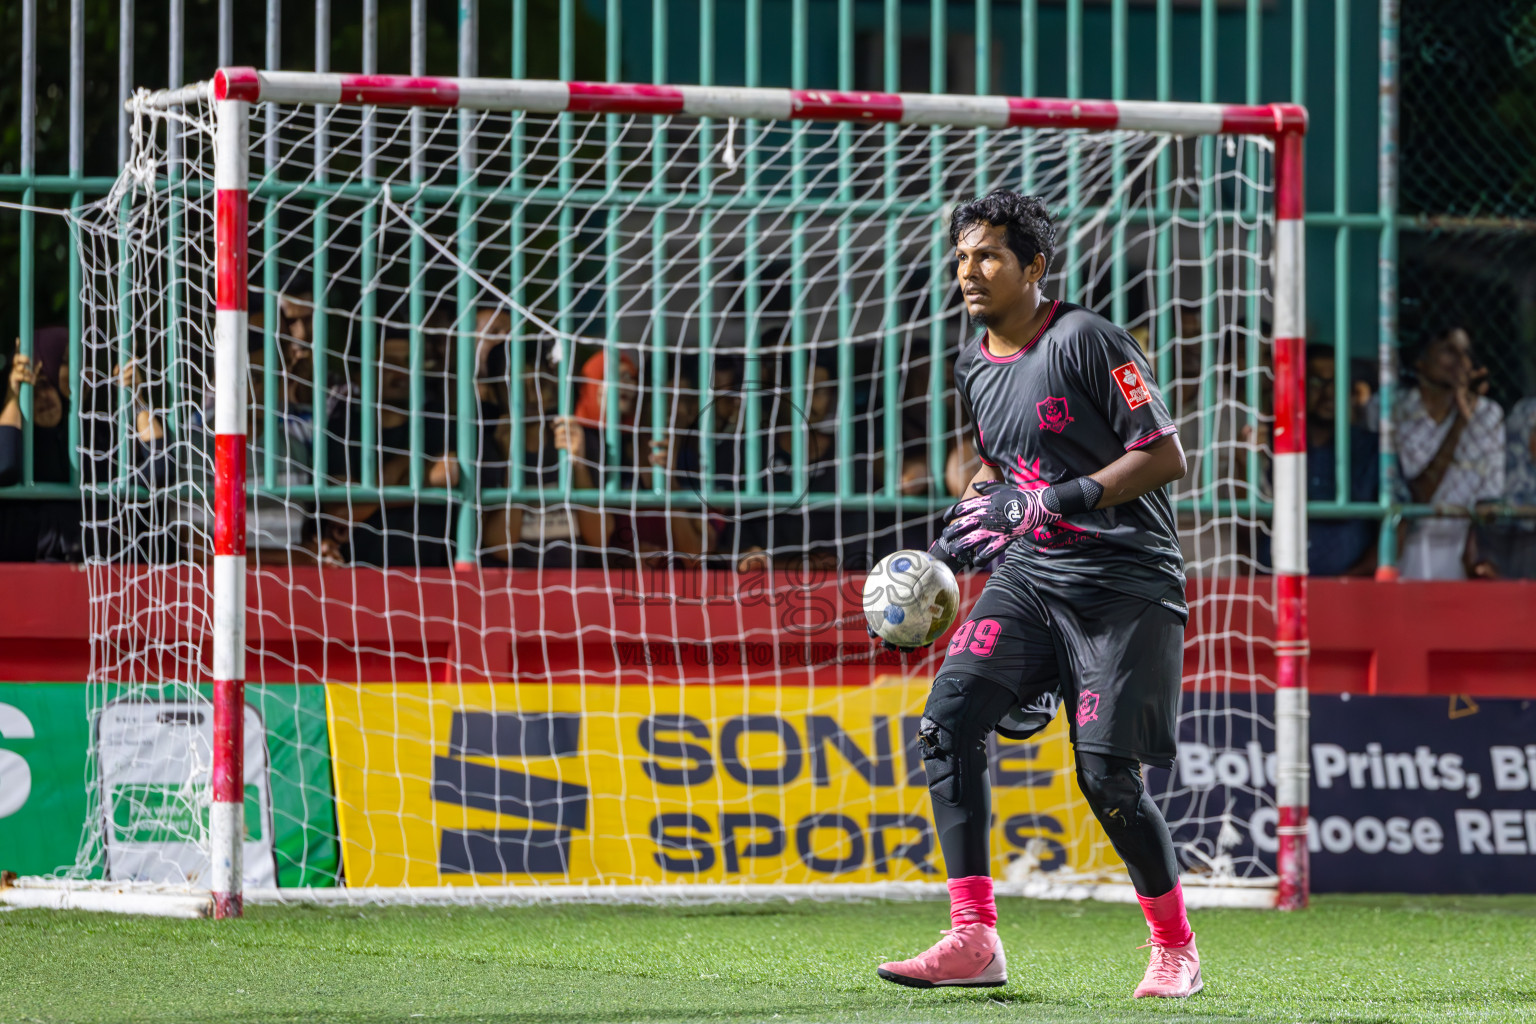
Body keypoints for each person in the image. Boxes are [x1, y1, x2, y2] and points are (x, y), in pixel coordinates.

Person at [875, 190, 1199, 998]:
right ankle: (973, 939)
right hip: (1030, 577)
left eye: (988, 255)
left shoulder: (1089, 339)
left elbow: (1164, 456)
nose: (970, 271)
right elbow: (998, 471)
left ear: (1034, 268)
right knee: (947, 724)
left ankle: (1175, 949)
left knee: (1107, 778)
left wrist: (1053, 501)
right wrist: (949, 549)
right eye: (962, 257)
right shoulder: (972, 363)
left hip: (1125, 583)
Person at [1394, 327, 1503, 579]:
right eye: (1449, 351)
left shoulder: (1488, 414)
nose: (1461, 362)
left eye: (1467, 354)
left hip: (1456, 552)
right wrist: (1460, 422)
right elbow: (1413, 497)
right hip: (1400, 551)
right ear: (1420, 361)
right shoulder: (1394, 410)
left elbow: (1489, 500)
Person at [1303, 344, 1378, 575]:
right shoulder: (1275, 445)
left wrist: (1352, 580)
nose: (1328, 393)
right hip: (1272, 585)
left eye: (1337, 382)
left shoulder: (1370, 448)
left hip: (1352, 587)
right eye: (1316, 382)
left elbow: (1397, 521)